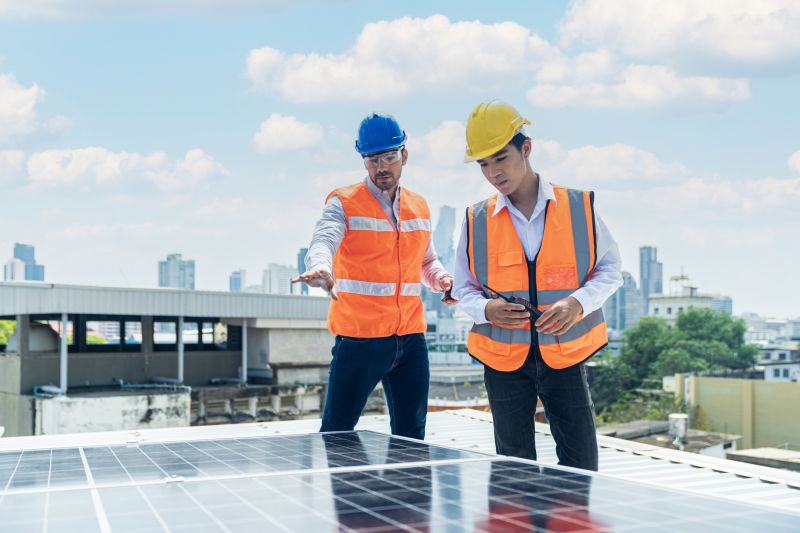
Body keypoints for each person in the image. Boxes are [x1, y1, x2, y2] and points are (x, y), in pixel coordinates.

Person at [453, 101, 622, 470]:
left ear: (525, 149)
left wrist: (578, 303)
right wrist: (486, 310)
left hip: (565, 356)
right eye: (483, 164)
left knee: (582, 467)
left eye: (500, 158)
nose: (493, 172)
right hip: (504, 364)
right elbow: (463, 289)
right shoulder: (474, 219)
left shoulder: (578, 206)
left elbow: (611, 270)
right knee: (514, 473)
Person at [294, 112, 456, 440]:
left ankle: (410, 494)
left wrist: (441, 279)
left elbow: (426, 261)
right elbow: (324, 238)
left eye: (389, 157)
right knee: (337, 433)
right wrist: (322, 267)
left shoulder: (420, 206)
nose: (381, 167)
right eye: (372, 160)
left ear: (404, 156)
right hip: (360, 340)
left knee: (412, 436)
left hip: (410, 340)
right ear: (363, 161)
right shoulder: (344, 202)